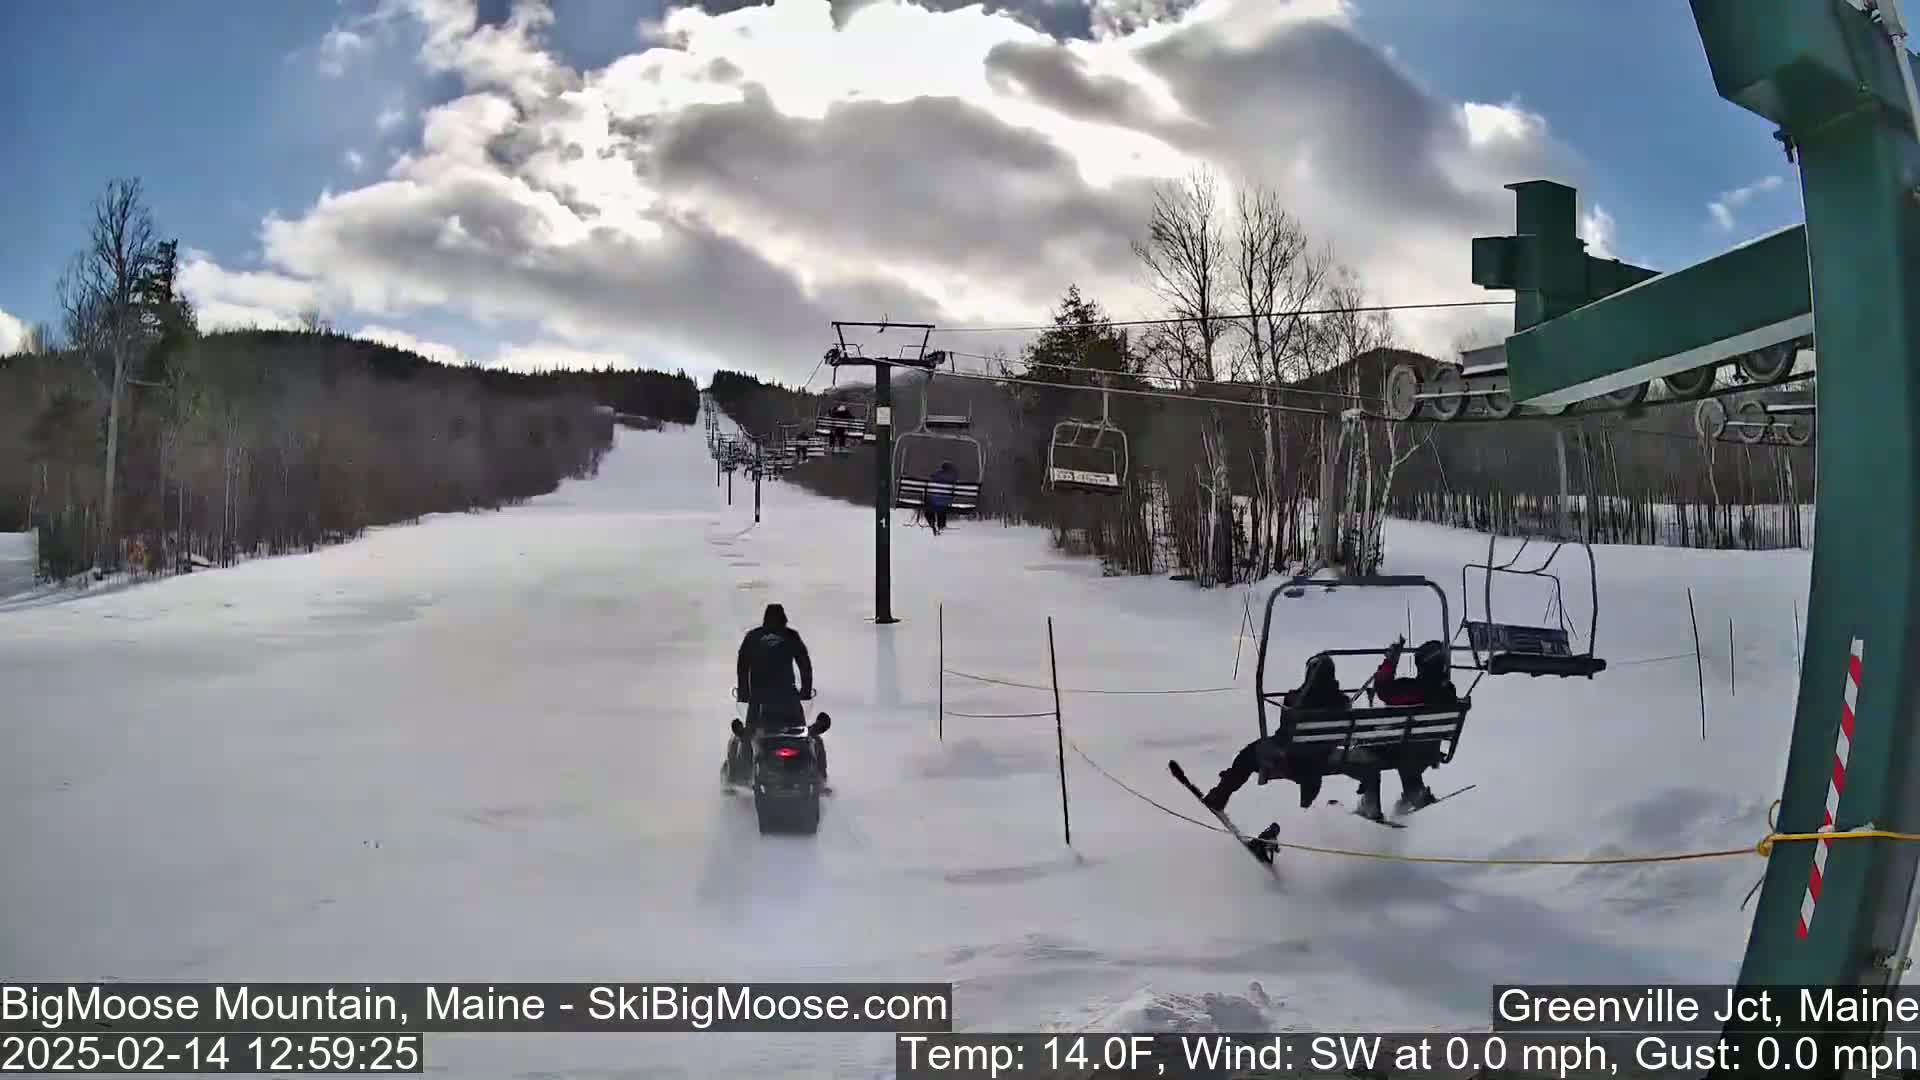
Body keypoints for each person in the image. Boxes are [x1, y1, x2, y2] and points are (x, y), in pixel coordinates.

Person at [1201, 652, 1348, 816]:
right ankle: (1307, 809)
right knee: (1310, 757)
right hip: (1322, 759)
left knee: (1248, 755)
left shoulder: (1295, 700)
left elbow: (1284, 733)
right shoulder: (1343, 702)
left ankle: (1221, 794)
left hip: (1292, 761)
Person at [1351, 637, 1451, 821]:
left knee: (1367, 745)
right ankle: (1415, 791)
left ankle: (1371, 802)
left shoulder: (1415, 690)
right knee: (1410, 749)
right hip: (1428, 748)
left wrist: (1391, 661)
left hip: (1401, 748)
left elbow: (1384, 690)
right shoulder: (1447, 691)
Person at [731, 603, 820, 780]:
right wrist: (806, 690)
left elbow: (742, 667)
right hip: (788, 695)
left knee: (750, 735)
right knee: (803, 734)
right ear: (784, 618)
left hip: (759, 697)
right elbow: (804, 664)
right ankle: (817, 775)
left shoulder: (753, 637)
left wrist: (744, 693)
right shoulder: (791, 636)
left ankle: (742, 775)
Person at [927, 461, 959, 533]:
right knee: (941, 508)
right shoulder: (953, 476)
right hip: (946, 501)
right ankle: (941, 525)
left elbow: (930, 481)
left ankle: (932, 522)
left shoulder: (937, 474)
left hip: (934, 500)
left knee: (929, 508)